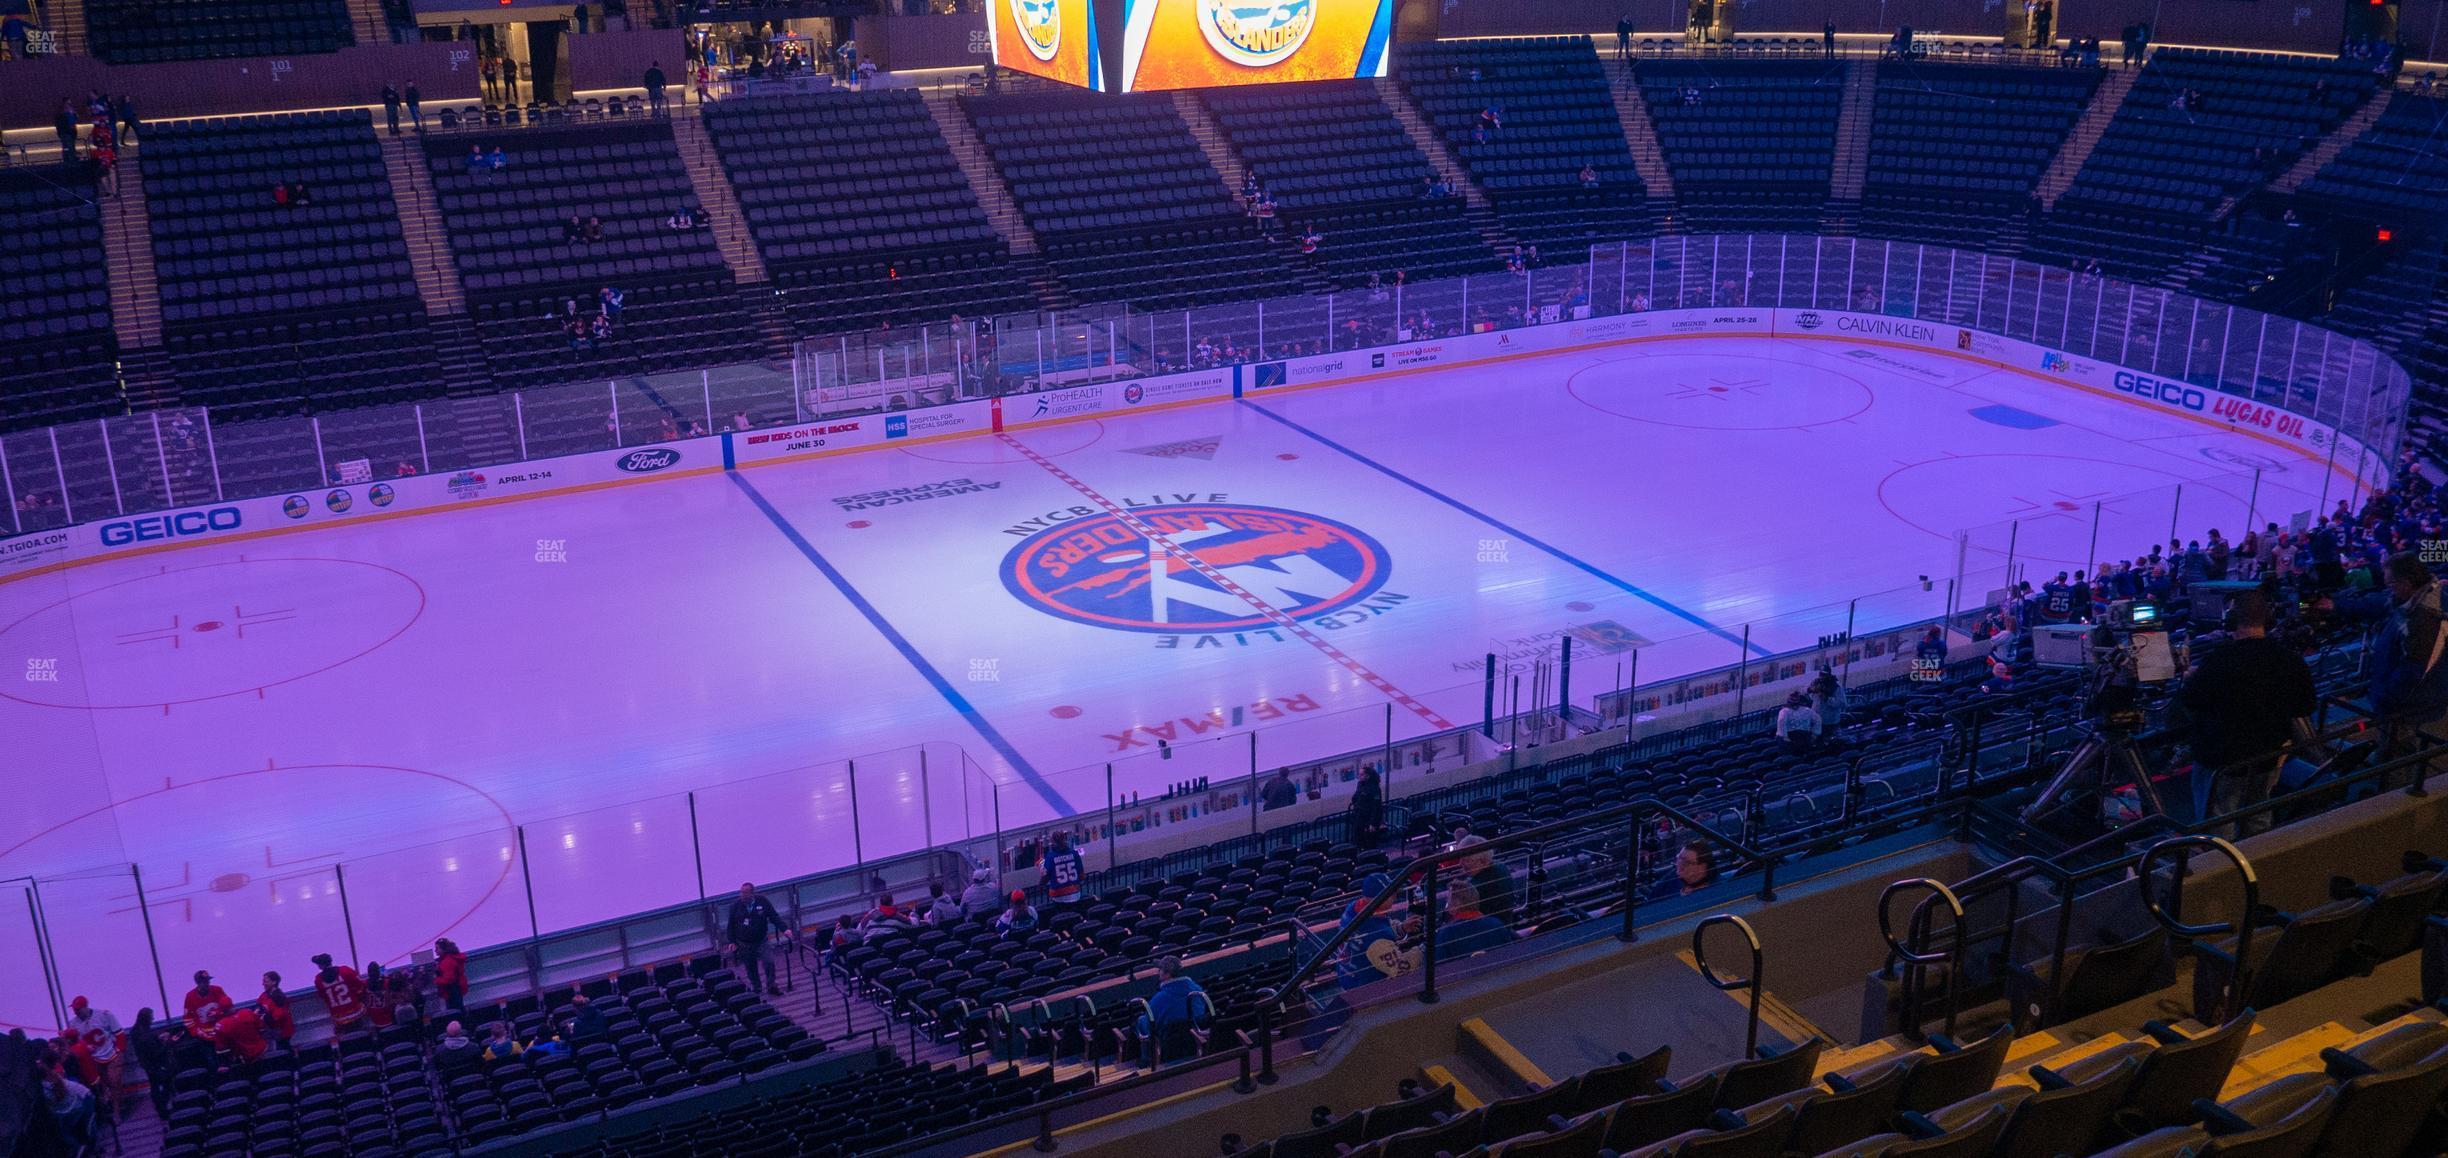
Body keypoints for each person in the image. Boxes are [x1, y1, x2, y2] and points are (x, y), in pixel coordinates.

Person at [2175, 591, 2315, 838]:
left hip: (2222, 760)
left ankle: (2221, 868)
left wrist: (2191, 678)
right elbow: (2304, 705)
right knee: (2259, 813)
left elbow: (2190, 701)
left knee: (2218, 821)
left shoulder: (2218, 662)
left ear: (2231, 620)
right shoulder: (2289, 660)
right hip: (2269, 755)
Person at [2371, 553, 2448, 778]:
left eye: (2391, 584)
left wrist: (2386, 700)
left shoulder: (2426, 618)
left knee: (2397, 770)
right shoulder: (2421, 601)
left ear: (2406, 583)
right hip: (2409, 708)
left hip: (2409, 713)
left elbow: (2414, 672)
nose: (2389, 589)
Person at [1136, 957, 1207, 1064]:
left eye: (1160, 970)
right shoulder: (1197, 989)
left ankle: (1146, 1063)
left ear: (1167, 974)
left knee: (1141, 1021)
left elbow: (1148, 1029)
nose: (1158, 972)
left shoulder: (1158, 1000)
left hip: (1170, 1048)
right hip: (1195, 1040)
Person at [725, 882, 789, 997]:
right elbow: (731, 925)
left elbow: (774, 916)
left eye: (745, 893)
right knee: (750, 967)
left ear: (752, 893)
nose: (743, 895)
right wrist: (732, 941)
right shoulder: (735, 906)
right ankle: (757, 987)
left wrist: (784, 929)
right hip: (744, 943)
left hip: (761, 940)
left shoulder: (762, 901)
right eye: (741, 893)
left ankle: (771, 985)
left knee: (769, 961)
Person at [1432, 880, 1511, 959]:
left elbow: (1439, 967)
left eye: (1448, 899)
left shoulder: (1446, 933)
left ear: (1457, 904)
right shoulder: (1496, 925)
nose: (1447, 903)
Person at [128, 1009, 177, 1117]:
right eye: (151, 1017)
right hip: (156, 1064)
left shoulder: (135, 1032)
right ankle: (162, 1107)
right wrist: (168, 1042)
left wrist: (157, 1039)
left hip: (146, 1064)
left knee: (154, 1086)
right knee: (166, 1083)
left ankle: (160, 1107)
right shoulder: (147, 1036)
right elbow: (157, 1053)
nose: (153, 1019)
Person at [312, 953, 371, 1037]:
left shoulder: (318, 980)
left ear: (320, 966)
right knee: (361, 1035)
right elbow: (360, 986)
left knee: (348, 1038)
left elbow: (324, 997)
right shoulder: (345, 971)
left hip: (339, 1017)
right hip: (355, 1012)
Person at [1651, 838, 1718, 901]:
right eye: (1679, 858)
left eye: (1686, 863)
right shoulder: (1671, 879)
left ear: (1702, 867)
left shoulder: (1716, 893)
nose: (1679, 865)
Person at [182, 970, 233, 1035]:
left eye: (208, 980)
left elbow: (229, 1008)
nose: (207, 983)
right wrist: (197, 1031)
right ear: (198, 983)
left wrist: (218, 1012)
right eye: (204, 981)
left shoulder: (217, 990)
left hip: (222, 1029)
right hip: (204, 1033)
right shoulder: (190, 997)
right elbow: (188, 1019)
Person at [1042, 831, 1084, 905]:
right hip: (1075, 894)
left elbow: (1045, 877)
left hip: (1058, 897)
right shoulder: (1074, 853)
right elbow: (1081, 874)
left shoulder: (1050, 857)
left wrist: (1040, 885)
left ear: (1053, 842)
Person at [257, 973, 295, 1052]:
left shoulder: (279, 997)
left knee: (283, 1050)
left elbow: (279, 1015)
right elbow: (259, 1007)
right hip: (272, 1030)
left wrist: (264, 1017)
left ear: (274, 982)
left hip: (281, 1031)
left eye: (265, 981)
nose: (263, 984)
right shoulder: (264, 995)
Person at [1349, 766, 1384, 846]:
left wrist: (1373, 823)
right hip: (1359, 816)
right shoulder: (1360, 785)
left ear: (1367, 776)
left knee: (1369, 841)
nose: (1359, 776)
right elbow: (1355, 798)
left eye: (1361, 774)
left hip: (1368, 818)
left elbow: (1376, 807)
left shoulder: (1374, 788)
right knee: (1357, 839)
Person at [431, 939, 467, 1013]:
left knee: (454, 1011)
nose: (435, 951)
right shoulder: (452, 958)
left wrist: (435, 979)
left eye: (437, 948)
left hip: (452, 992)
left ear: (444, 949)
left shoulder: (447, 961)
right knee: (459, 1009)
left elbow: (449, 979)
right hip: (457, 989)